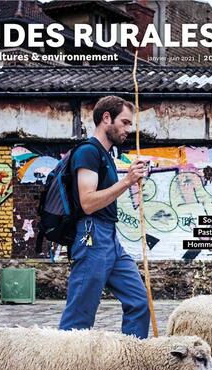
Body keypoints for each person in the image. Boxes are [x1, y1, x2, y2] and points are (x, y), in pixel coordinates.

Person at [59, 95, 150, 339]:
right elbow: (88, 203)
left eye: (130, 124)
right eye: (125, 122)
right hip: (92, 237)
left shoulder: (106, 156)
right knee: (80, 316)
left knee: (139, 303)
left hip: (110, 238)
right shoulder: (88, 152)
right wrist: (127, 181)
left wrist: (131, 177)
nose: (128, 129)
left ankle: (129, 365)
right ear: (106, 118)